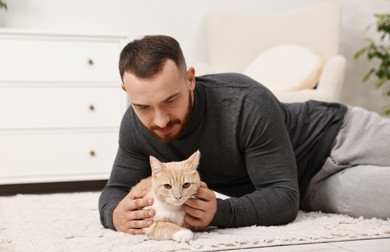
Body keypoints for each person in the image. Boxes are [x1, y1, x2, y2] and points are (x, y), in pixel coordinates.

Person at [99, 35, 390, 235]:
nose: (159, 120)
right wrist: (115, 214)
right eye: (143, 107)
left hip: (341, 132)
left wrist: (221, 214)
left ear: (190, 79)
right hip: (313, 187)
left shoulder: (245, 100)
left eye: (170, 100)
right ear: (127, 94)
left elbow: (282, 197)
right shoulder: (135, 127)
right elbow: (114, 191)